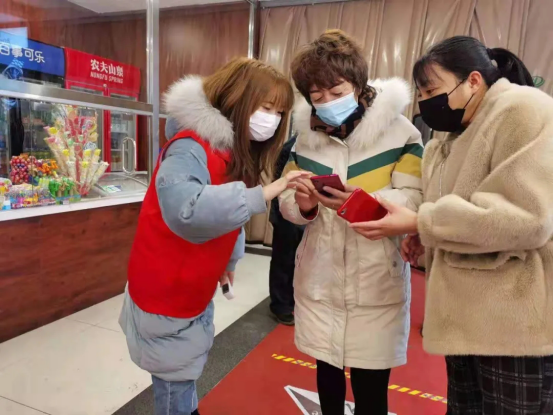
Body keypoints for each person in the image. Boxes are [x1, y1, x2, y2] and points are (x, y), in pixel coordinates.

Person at [351, 36, 553, 414]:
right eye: (421, 94)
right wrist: (424, 235)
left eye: (433, 90)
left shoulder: (524, 111)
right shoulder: (445, 139)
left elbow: (526, 219)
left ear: (473, 80)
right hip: (462, 319)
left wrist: (422, 221)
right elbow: (447, 208)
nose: (426, 102)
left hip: (513, 324)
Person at [119, 58, 308, 415]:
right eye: (265, 107)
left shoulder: (229, 150)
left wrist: (228, 260)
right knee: (174, 374)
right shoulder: (190, 146)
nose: (271, 120)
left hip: (192, 281)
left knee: (183, 366)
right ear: (236, 98)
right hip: (166, 287)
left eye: (279, 112)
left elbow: (224, 219)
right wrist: (266, 192)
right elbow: (186, 209)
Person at [279, 30, 424, 415]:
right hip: (320, 276)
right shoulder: (304, 139)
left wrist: (360, 204)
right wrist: (303, 206)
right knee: (326, 375)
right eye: (317, 96)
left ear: (358, 85)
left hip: (375, 276)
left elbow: (415, 198)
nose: (327, 102)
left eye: (336, 90)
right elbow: (286, 199)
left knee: (371, 387)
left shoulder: (401, 133)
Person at [269, 134, 304, 326]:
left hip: (307, 212)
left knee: (302, 261)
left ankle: (293, 300)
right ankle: (280, 306)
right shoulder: (295, 146)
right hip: (286, 211)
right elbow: (279, 183)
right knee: (284, 259)